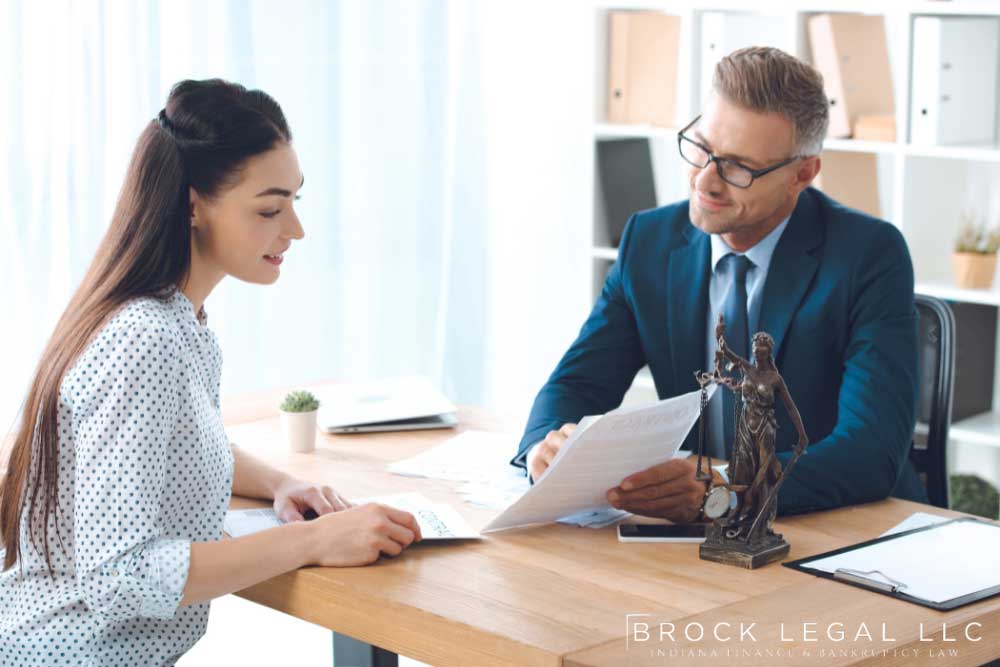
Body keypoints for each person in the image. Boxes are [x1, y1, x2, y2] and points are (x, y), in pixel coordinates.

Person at [0, 79, 422, 666]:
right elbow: (120, 578)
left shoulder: (181, 322)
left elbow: (173, 445)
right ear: (194, 205)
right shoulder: (143, 339)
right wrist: (314, 541)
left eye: (295, 202)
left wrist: (280, 484)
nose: (294, 230)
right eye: (270, 209)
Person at [511, 47, 925, 522]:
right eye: (702, 149)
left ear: (802, 174)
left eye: (739, 167)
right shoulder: (649, 241)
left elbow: (871, 451)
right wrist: (546, 447)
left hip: (837, 525)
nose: (705, 181)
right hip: (697, 540)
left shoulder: (868, 255)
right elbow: (578, 384)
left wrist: (727, 490)